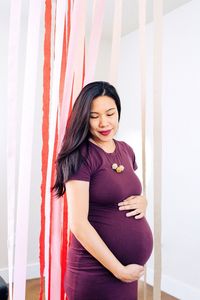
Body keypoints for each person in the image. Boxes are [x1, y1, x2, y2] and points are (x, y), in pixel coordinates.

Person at [53, 81, 153, 300]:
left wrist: (143, 201)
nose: (104, 122)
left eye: (110, 113)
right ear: (83, 117)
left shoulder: (126, 149)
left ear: (118, 112)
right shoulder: (81, 157)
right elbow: (78, 224)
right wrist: (118, 269)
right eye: (94, 116)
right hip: (95, 271)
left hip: (126, 272)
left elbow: (122, 192)